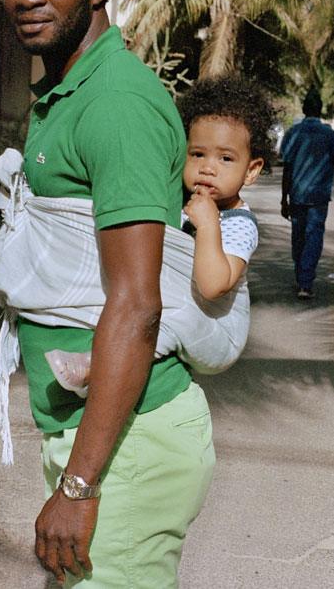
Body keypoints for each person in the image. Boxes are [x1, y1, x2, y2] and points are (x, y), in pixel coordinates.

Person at [0, 0, 214, 585]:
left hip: (131, 446)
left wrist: (81, 487)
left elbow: (135, 305)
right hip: (104, 432)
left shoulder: (115, 104)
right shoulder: (69, 90)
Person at [46, 76, 270, 397]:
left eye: (225, 158)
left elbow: (212, 286)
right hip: (193, 313)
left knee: (163, 317)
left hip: (221, 333)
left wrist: (208, 226)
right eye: (197, 155)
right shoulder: (184, 200)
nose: (208, 168)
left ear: (251, 170)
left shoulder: (238, 222)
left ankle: (97, 366)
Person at [279, 88, 334, 299]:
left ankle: (301, 276)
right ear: (320, 110)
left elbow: (287, 168)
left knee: (298, 236)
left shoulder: (294, 133)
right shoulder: (328, 134)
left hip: (298, 194)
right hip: (319, 197)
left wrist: (284, 199)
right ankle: (305, 282)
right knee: (314, 237)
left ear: (303, 109)